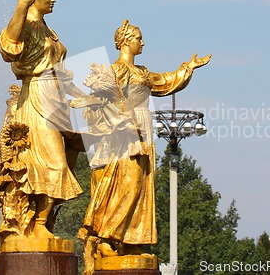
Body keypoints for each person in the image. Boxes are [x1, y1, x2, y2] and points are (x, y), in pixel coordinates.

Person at [80, 19, 211, 269]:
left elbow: (164, 81)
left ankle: (130, 241)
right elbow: (94, 104)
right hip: (121, 135)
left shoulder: (142, 72)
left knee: (140, 186)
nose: (143, 42)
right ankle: (106, 237)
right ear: (125, 41)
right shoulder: (114, 71)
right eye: (139, 38)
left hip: (144, 130)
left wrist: (188, 67)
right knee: (126, 185)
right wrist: (117, 120)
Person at [0, 0, 88, 240]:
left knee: (71, 154)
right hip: (36, 98)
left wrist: (86, 96)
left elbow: (61, 71)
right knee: (53, 162)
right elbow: (8, 46)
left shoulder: (49, 32)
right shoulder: (26, 25)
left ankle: (44, 223)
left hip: (56, 98)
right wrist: (20, 7)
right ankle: (36, 225)